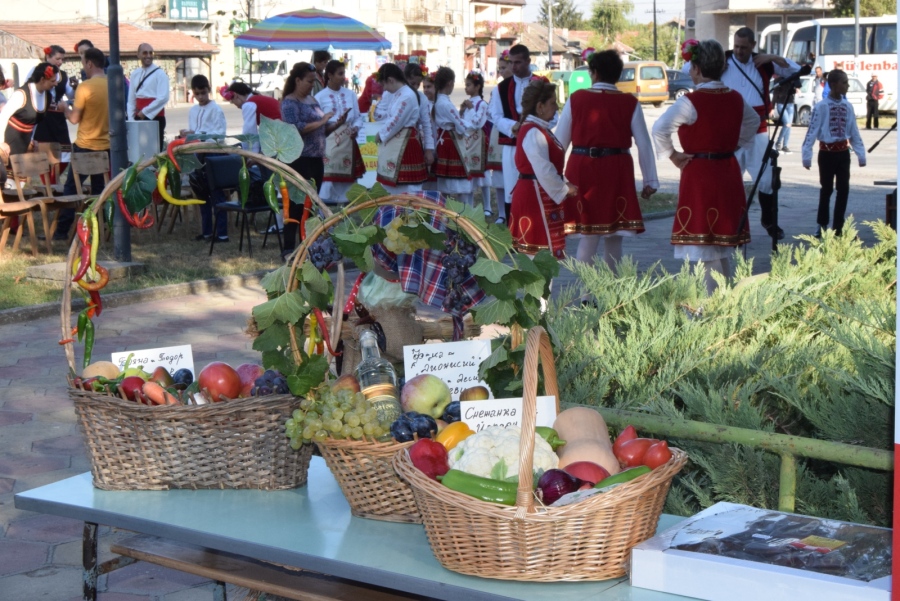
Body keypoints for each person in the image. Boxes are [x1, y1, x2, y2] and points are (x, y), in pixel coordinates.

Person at [653, 39, 759, 295]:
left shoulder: (691, 101)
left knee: (706, 245)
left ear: (699, 69)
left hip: (700, 174)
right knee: (720, 245)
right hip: (727, 171)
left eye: (691, 67)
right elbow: (753, 121)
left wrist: (674, 156)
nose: (689, 71)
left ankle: (710, 308)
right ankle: (723, 301)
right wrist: (732, 146)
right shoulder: (735, 98)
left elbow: (659, 128)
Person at [685, 27, 800, 240]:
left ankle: (768, 219)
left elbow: (798, 70)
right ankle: (729, 227)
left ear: (753, 46)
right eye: (736, 46)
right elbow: (689, 69)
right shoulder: (723, 61)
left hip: (758, 131)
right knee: (728, 180)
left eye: (744, 47)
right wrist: (694, 53)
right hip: (731, 133)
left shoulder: (764, 63)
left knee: (766, 180)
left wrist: (773, 57)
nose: (738, 51)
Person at [555, 49, 658, 270]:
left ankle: (585, 298)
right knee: (614, 236)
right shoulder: (630, 102)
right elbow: (644, 143)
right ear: (618, 75)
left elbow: (559, 143)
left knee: (588, 235)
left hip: (583, 169)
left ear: (593, 73)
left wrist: (553, 177)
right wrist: (651, 180)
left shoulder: (577, 99)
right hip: (616, 170)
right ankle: (611, 292)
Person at [509, 80, 576, 260]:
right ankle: (540, 289)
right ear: (540, 107)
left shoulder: (538, 129)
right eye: (553, 102)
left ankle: (543, 289)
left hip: (538, 192)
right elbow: (543, 169)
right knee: (539, 260)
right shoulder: (533, 132)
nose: (556, 107)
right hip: (534, 198)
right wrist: (563, 188)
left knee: (543, 260)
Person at [281, 61, 339, 256]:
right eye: (308, 81)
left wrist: (335, 124)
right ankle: (289, 247)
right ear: (297, 80)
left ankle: (308, 245)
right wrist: (322, 121)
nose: (311, 85)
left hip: (316, 159)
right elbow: (294, 128)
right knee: (297, 204)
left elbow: (322, 130)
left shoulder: (313, 101)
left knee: (312, 205)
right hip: (299, 160)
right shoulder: (290, 102)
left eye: (314, 81)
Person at [802, 69, 866, 237]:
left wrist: (860, 153)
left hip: (843, 154)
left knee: (843, 189)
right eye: (844, 83)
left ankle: (838, 227)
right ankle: (821, 224)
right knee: (827, 189)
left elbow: (853, 131)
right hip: (827, 154)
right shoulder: (821, 107)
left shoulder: (847, 106)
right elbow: (812, 131)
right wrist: (806, 155)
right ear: (833, 85)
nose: (847, 86)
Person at [490, 44, 547, 226]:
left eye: (518, 62)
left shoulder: (542, 84)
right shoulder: (501, 88)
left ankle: (537, 231)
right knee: (511, 187)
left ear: (529, 62)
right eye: (511, 62)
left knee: (536, 184)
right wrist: (512, 126)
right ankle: (514, 233)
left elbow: (553, 117)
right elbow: (495, 115)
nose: (514, 67)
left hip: (536, 145)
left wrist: (532, 126)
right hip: (511, 145)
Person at [57, 48, 109, 239]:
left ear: (89, 64)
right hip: (106, 147)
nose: (83, 68)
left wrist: (65, 108)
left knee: (72, 188)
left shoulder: (85, 87)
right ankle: (97, 228)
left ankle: (62, 231)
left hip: (85, 145)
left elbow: (74, 119)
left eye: (83, 63)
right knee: (99, 191)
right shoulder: (113, 84)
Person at [182, 75, 228, 242]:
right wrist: (188, 133)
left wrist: (199, 136)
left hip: (212, 153)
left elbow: (220, 135)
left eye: (203, 93)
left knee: (216, 194)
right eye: (197, 94)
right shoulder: (193, 110)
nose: (200, 97)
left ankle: (222, 233)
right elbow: (194, 129)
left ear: (208, 90)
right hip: (198, 153)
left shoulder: (215, 110)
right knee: (201, 193)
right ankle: (207, 231)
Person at [315, 60, 366, 205]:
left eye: (344, 73)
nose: (343, 77)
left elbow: (357, 118)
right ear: (329, 75)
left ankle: (345, 218)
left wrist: (355, 128)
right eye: (340, 73)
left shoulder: (350, 94)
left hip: (348, 142)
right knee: (327, 181)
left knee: (348, 183)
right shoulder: (320, 97)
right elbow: (318, 123)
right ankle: (324, 216)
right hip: (328, 142)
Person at [373, 63, 428, 194]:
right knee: (394, 184)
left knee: (407, 186)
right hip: (398, 141)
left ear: (391, 80)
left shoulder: (407, 95)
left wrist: (381, 134)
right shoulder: (399, 94)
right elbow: (388, 115)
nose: (384, 89)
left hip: (406, 143)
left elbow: (396, 120)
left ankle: (409, 212)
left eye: (384, 84)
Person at [431, 67, 477, 205]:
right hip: (452, 143)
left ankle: (444, 215)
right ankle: (463, 215)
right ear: (450, 83)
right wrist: (469, 129)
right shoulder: (445, 103)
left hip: (444, 141)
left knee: (445, 185)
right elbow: (460, 125)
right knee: (460, 184)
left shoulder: (439, 101)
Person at [32, 45, 74, 178]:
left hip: (58, 119)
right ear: (48, 57)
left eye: (62, 59)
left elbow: (70, 94)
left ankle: (53, 180)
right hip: (43, 118)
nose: (60, 62)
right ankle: (48, 183)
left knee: (65, 152)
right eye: (57, 58)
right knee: (43, 153)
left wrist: (76, 87)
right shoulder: (36, 71)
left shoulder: (63, 75)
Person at [0, 63, 58, 158]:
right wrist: (1, 143)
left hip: (25, 142)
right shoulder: (21, 94)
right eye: (53, 81)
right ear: (42, 80)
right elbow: (3, 117)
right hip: (9, 142)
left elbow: (34, 121)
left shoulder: (48, 97)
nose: (56, 83)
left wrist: (31, 138)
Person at [460, 71, 492, 216]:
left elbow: (477, 122)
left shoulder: (481, 104)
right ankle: (470, 206)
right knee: (470, 175)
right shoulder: (467, 104)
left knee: (483, 175)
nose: (466, 88)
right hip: (467, 141)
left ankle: (488, 207)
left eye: (468, 85)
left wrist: (471, 110)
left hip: (478, 143)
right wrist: (462, 112)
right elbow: (462, 121)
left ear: (477, 86)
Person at [127, 43, 170, 150]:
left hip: (155, 116)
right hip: (138, 116)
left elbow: (163, 97)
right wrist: (131, 119)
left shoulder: (160, 74)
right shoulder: (135, 74)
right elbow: (131, 99)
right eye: (145, 53)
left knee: (153, 150)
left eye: (151, 53)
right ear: (138, 55)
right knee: (138, 149)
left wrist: (145, 112)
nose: (148, 55)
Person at [222, 81, 281, 153]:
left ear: (236, 95)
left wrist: (251, 154)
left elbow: (250, 132)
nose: (234, 104)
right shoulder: (258, 98)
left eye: (232, 101)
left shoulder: (248, 104)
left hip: (279, 137)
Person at [486, 53, 511, 222]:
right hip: (500, 134)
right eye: (500, 68)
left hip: (513, 133)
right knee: (500, 178)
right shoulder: (498, 89)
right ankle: (502, 213)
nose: (501, 71)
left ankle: (512, 211)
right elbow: (492, 113)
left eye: (504, 67)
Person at [404, 63, 436, 179]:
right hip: (395, 143)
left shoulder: (421, 98)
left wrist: (428, 150)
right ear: (405, 79)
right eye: (412, 83)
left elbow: (427, 125)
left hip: (414, 143)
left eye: (418, 84)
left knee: (414, 183)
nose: (416, 87)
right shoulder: (393, 94)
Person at [771, 75, 800, 153]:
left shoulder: (792, 78)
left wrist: (796, 89)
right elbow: (775, 94)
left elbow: (792, 90)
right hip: (781, 103)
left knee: (789, 125)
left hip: (790, 103)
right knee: (787, 123)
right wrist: (772, 108)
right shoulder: (778, 80)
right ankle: (778, 142)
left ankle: (785, 145)